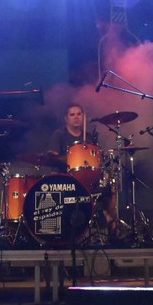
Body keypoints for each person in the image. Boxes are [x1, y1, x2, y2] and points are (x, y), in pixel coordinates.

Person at [46, 103, 121, 241]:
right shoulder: (59, 135)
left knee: (109, 188)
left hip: (88, 180)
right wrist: (73, 157)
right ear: (66, 118)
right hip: (66, 179)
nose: (76, 117)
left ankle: (112, 230)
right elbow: (51, 158)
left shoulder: (88, 137)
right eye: (72, 114)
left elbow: (95, 161)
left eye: (79, 114)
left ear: (83, 117)